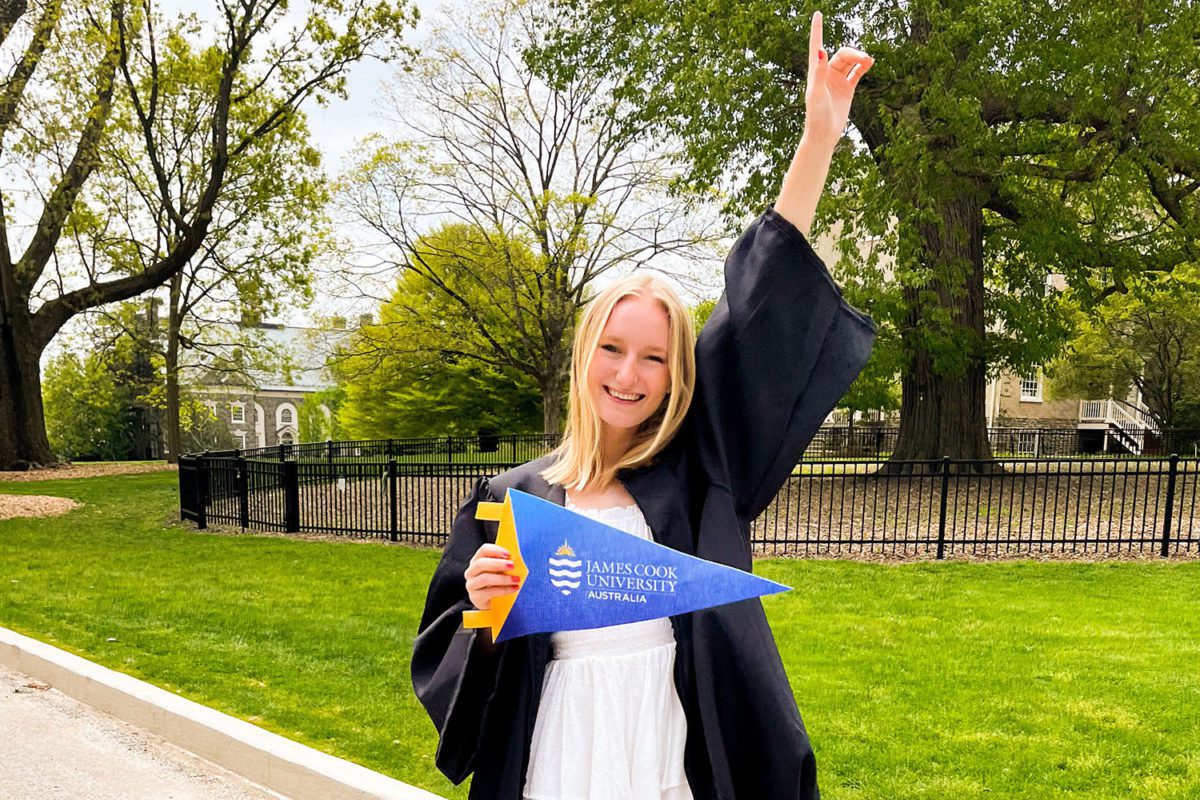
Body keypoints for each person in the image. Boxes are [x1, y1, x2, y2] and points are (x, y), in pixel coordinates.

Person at [413, 12, 875, 800]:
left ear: (675, 375)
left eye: (656, 357)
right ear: (584, 354)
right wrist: (486, 613)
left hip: (671, 745)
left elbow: (758, 312)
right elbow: (450, 663)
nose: (630, 374)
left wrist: (817, 140)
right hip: (558, 749)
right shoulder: (512, 500)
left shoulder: (696, 470)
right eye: (614, 348)